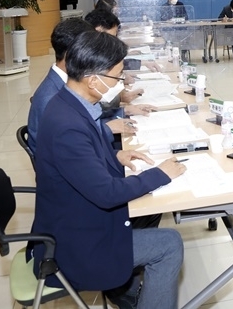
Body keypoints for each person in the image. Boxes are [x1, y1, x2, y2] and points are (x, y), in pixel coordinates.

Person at [30, 31, 186, 309]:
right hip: (75, 244)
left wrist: (115, 155)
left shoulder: (70, 103)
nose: (121, 82)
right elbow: (106, 193)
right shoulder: (67, 125)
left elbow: (79, 161)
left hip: (77, 219)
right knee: (170, 244)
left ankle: (131, 291)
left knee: (149, 209)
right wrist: (161, 174)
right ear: (93, 80)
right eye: (117, 76)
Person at [28, 18, 95, 154]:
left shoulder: (67, 81)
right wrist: (107, 129)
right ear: (71, 54)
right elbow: (70, 145)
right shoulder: (51, 98)